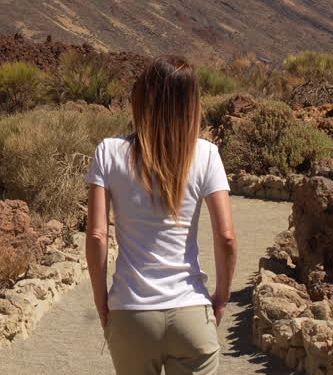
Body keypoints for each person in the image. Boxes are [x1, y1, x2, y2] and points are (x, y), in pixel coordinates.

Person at [85, 57, 237, 375]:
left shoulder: (108, 152)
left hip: (131, 313)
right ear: (191, 104)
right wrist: (221, 297)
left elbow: (97, 236)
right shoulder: (207, 155)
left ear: (140, 99)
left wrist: (102, 300)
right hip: (191, 311)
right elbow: (226, 237)